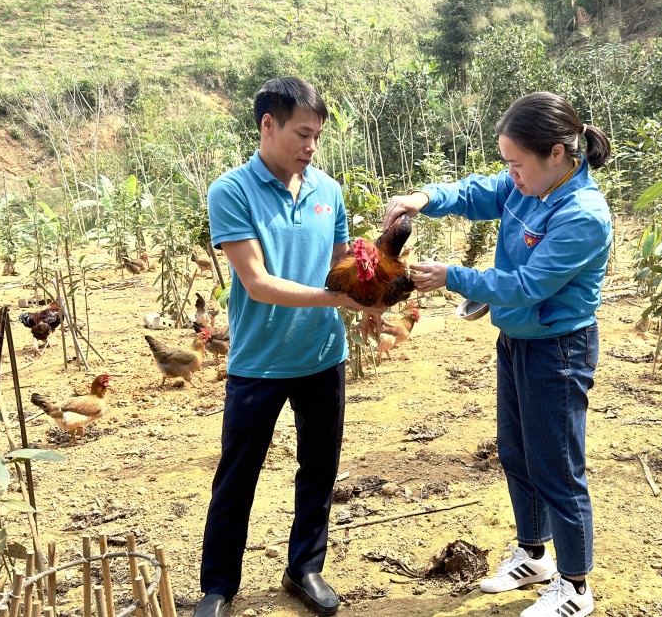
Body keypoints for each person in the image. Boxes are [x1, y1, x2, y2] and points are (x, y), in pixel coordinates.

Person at [382, 91, 611, 617]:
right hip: (517, 341)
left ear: (557, 153)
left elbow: (529, 284)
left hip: (558, 349)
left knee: (557, 466)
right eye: (506, 163)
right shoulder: (527, 184)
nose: (511, 174)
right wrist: (425, 197)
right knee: (517, 453)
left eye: (517, 163)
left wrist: (453, 277)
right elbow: (476, 193)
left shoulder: (582, 215)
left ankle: (575, 586)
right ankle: (533, 555)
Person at [194, 77, 379, 617]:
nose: (311, 146)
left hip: (323, 357)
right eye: (302, 133)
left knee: (319, 470)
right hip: (260, 360)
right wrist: (336, 300)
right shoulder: (231, 191)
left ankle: (304, 568)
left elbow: (340, 269)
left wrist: (365, 295)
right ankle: (219, 585)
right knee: (238, 475)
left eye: (318, 136)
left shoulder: (328, 191)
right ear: (267, 126)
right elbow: (257, 282)